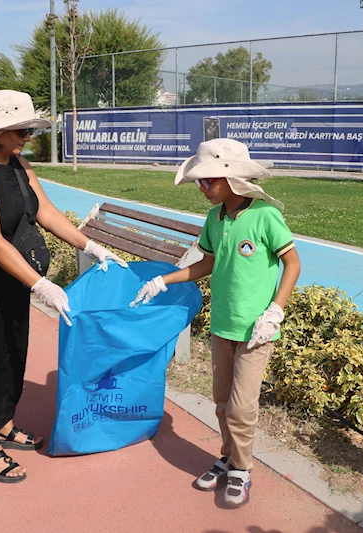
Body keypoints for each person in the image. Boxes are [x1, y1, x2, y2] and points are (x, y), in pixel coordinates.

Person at [0, 90, 127, 484]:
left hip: (13, 272)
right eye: (22, 129)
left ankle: (5, 422)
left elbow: (44, 211)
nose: (28, 136)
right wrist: (41, 284)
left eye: (30, 129)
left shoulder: (17, 162)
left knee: (14, 348)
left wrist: (90, 246)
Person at [130, 138, 301, 507]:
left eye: (207, 180)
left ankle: (242, 469)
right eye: (199, 182)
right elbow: (207, 263)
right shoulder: (214, 218)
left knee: (242, 406)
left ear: (230, 177)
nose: (202, 188)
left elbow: (293, 264)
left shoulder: (264, 216)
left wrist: (275, 311)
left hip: (257, 330)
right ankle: (228, 457)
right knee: (222, 402)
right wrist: (165, 279)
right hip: (223, 326)